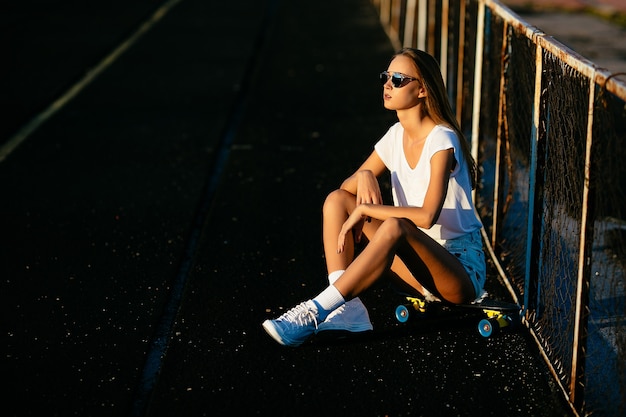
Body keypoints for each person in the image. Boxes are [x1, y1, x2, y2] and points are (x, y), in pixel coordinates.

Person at [262, 48, 486, 347]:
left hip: (458, 270)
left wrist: (370, 208)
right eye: (386, 76)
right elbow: (346, 189)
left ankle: (316, 310)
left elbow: (427, 216)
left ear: (422, 90)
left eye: (398, 78)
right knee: (337, 200)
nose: (387, 84)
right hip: (414, 266)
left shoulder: (442, 140)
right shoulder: (395, 136)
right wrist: (366, 176)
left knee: (395, 225)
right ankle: (347, 309)